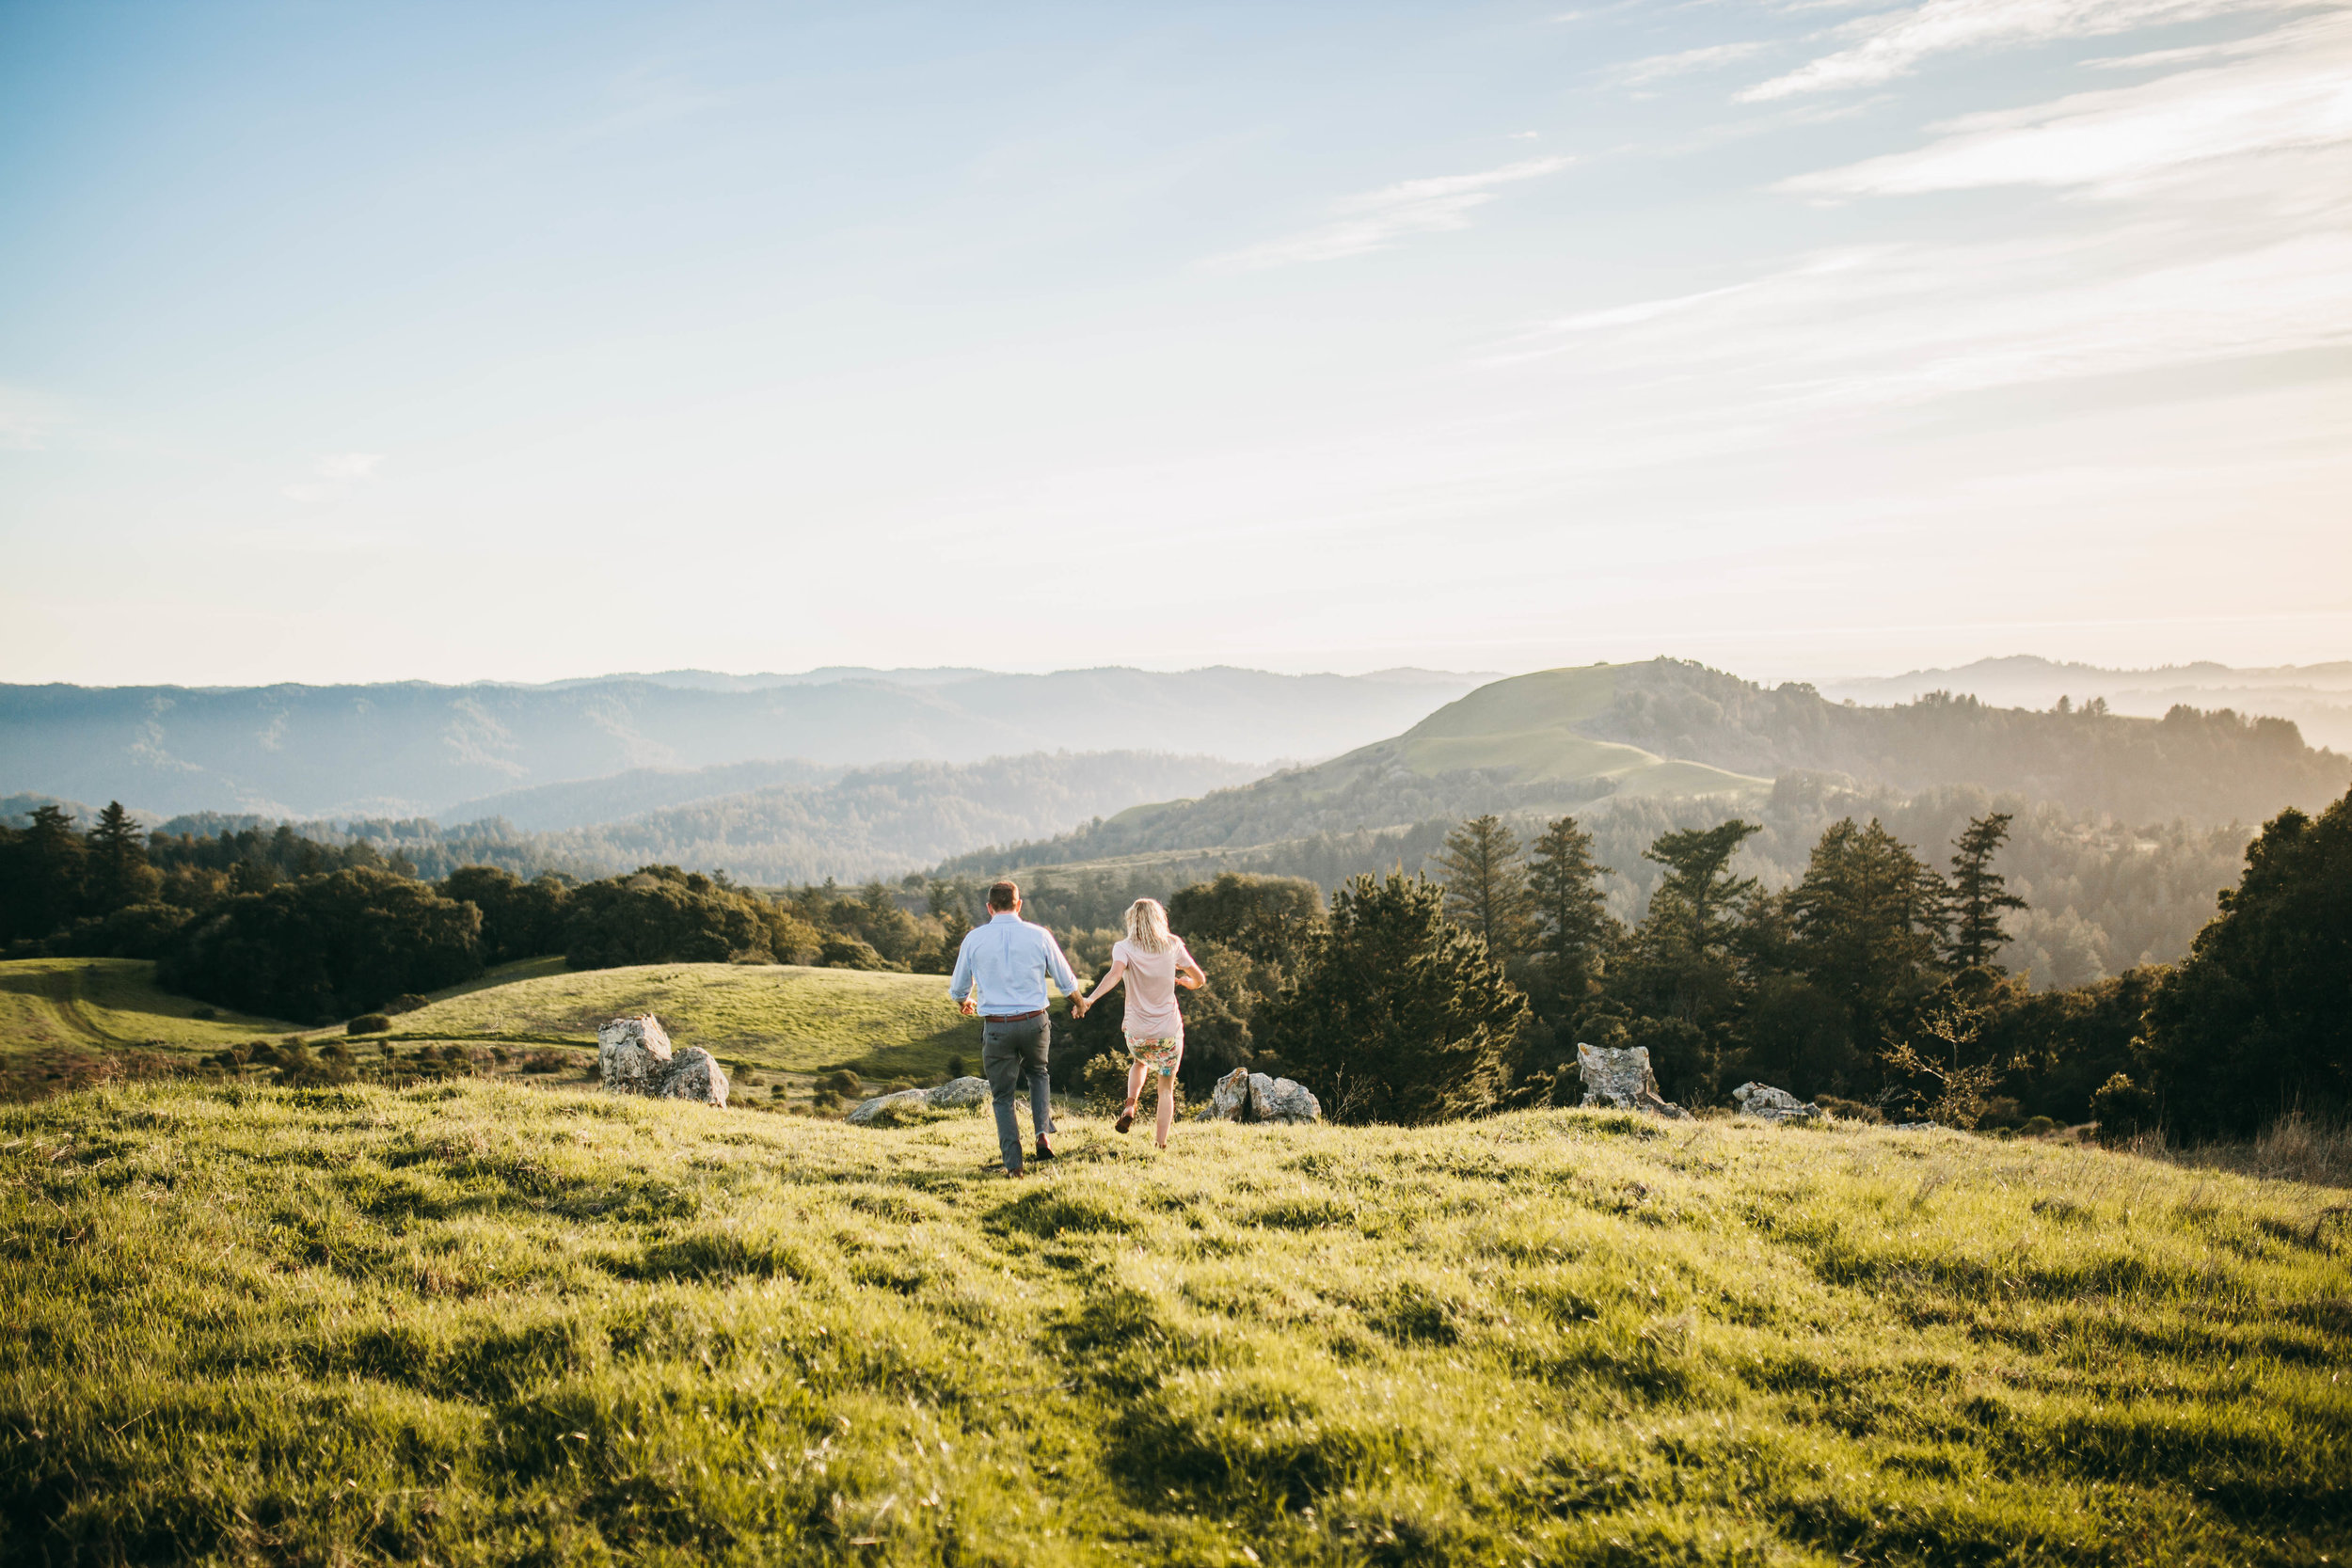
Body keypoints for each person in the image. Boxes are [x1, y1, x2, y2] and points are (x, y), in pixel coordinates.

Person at [947, 879, 1087, 1178]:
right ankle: (1042, 1134)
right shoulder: (1039, 935)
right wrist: (1079, 1002)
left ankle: (1014, 1165)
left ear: (989, 908)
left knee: (1002, 1096)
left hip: (997, 1027)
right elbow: (1065, 979)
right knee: (1038, 1074)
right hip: (1035, 1021)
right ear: (1018, 904)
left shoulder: (974, 939)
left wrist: (964, 1001)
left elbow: (958, 988)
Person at [1076, 897, 1204, 1150]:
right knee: (1165, 1088)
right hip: (1168, 1032)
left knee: (1139, 1061)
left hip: (1137, 1033)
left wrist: (1089, 999)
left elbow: (1113, 975)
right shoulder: (1173, 944)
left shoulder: (1123, 947)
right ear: (1160, 919)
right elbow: (1199, 978)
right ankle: (1160, 1144)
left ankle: (1130, 1104)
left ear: (1132, 921)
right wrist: (1188, 983)